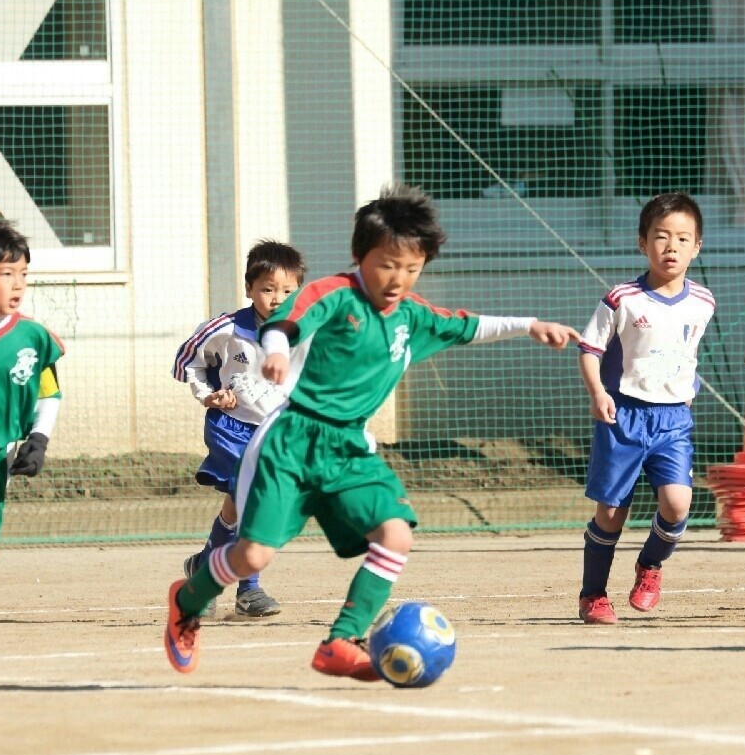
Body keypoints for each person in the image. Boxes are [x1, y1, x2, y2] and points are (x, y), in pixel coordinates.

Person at [163, 182, 580, 678]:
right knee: (253, 555)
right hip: (291, 440)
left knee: (395, 535)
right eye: (387, 264)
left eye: (411, 267)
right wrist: (275, 349)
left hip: (349, 448)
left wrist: (531, 324)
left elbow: (466, 325)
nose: (398, 277)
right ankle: (187, 603)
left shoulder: (411, 317)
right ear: (361, 255)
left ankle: (340, 641)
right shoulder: (336, 295)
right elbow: (288, 319)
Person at [575, 192, 716, 625]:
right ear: (642, 243)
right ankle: (593, 596)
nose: (671, 247)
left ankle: (649, 566)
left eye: (682, 238)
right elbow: (589, 348)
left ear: (697, 247)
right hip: (623, 417)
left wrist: (688, 388)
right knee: (612, 513)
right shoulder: (622, 298)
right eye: (660, 237)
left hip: (672, 419)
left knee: (676, 505)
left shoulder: (704, 302)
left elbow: (686, 352)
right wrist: (599, 392)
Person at [171, 240, 306, 618]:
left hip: (274, 435)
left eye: (286, 291)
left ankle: (203, 571)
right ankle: (250, 591)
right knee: (255, 505)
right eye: (267, 288)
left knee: (236, 510)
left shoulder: (304, 333)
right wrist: (209, 394)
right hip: (231, 429)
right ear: (249, 288)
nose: (276, 298)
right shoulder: (225, 330)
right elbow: (186, 364)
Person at [0, 214, 64, 563]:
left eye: (23, 274)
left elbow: (49, 393)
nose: (18, 284)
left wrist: (38, 440)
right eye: (5, 273)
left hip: (0, 455)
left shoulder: (34, 337)